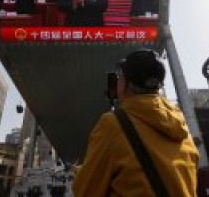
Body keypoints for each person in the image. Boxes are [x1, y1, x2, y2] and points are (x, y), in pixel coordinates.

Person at [72, 49, 200, 197]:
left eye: (119, 76)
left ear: (125, 83)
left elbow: (85, 191)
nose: (117, 80)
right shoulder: (181, 125)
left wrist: (79, 171)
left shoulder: (113, 123)